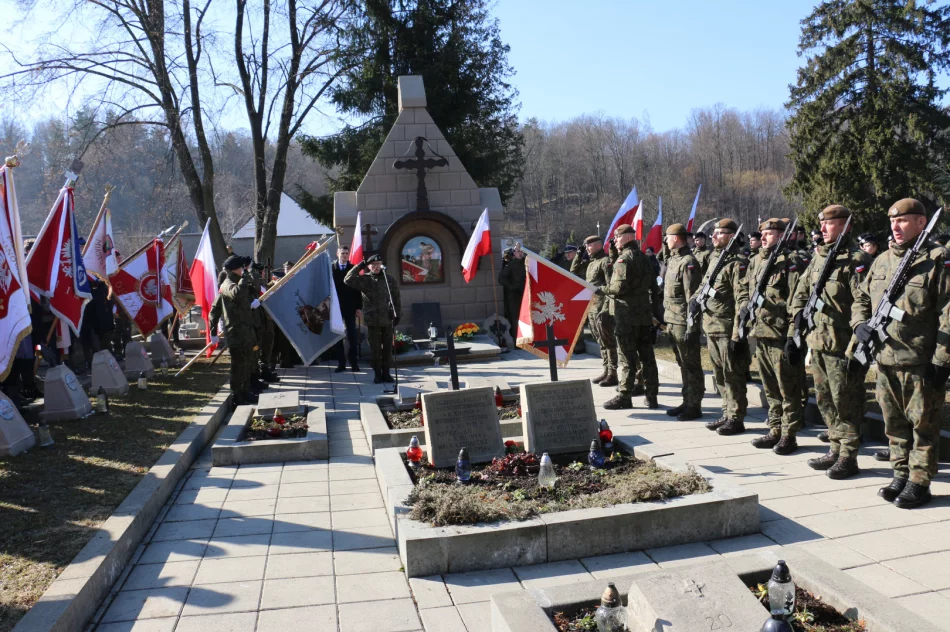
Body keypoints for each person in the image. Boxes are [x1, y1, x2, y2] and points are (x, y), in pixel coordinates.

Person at [852, 198, 950, 509]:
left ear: (921, 222)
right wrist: (858, 325)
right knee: (893, 423)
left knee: (923, 425)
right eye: (893, 222)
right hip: (885, 359)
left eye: (903, 221)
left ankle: (920, 481)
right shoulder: (881, 261)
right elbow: (861, 298)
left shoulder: (938, 259)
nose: (895, 226)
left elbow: (949, 312)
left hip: (920, 361)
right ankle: (900, 472)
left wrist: (942, 360)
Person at [788, 205, 870, 478]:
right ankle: (835, 446)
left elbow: (864, 300)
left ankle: (849, 454)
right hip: (819, 341)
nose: (822, 229)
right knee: (824, 400)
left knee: (845, 400)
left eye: (829, 224)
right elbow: (800, 290)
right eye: (821, 224)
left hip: (842, 344)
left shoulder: (855, 259)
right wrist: (798, 314)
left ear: (845, 225)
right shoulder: (819, 257)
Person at [740, 218, 803, 453]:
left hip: (779, 334)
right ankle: (775, 429)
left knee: (788, 389)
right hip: (761, 332)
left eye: (769, 233)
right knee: (770, 388)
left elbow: (797, 301)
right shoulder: (756, 260)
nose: (763, 237)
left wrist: (792, 337)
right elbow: (747, 290)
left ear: (781, 235)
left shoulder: (791, 261)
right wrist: (746, 308)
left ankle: (789, 434)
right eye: (762, 233)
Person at [601, 225, 662, 410]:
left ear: (627, 237)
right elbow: (654, 287)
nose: (615, 240)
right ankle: (652, 397)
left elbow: (618, 288)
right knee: (647, 357)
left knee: (627, 358)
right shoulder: (644, 257)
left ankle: (624, 396)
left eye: (617, 237)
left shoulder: (624, 259)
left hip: (627, 316)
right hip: (643, 315)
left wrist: (601, 289)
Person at [699, 219, 750, 435]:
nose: (713, 236)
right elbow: (705, 285)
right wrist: (694, 300)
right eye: (714, 233)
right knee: (719, 375)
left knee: (732, 374)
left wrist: (738, 332)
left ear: (731, 236)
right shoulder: (715, 260)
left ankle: (737, 418)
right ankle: (726, 412)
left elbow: (742, 300)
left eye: (719, 233)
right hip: (711, 326)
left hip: (727, 327)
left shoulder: (737, 264)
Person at [662, 224, 704, 420]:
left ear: (676, 238)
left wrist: (692, 327)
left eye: (668, 237)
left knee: (691, 365)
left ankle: (694, 405)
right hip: (672, 320)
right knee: (682, 364)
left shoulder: (688, 262)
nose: (666, 241)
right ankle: (686, 401)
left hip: (682, 322)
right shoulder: (674, 260)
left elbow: (692, 299)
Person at [209, 255, 260, 405]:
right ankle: (236, 395)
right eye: (241, 268)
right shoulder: (227, 284)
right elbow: (237, 294)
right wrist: (213, 332)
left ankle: (244, 392)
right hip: (236, 334)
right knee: (238, 366)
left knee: (246, 364)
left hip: (246, 332)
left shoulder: (238, 283)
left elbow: (247, 295)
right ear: (235, 269)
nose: (244, 270)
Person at [345, 253, 401, 384]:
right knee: (375, 349)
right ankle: (377, 373)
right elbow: (347, 279)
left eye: (378, 264)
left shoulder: (389, 279)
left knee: (387, 349)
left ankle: (386, 373)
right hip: (373, 320)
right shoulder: (365, 279)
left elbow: (396, 298)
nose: (376, 267)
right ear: (369, 266)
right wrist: (359, 266)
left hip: (387, 318)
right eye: (373, 265)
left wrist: (398, 314)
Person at [575, 235, 618, 387]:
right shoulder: (592, 263)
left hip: (602, 309)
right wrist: (579, 255)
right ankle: (606, 370)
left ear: (599, 246)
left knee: (609, 342)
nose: (587, 248)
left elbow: (610, 286)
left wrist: (606, 309)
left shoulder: (605, 262)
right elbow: (573, 271)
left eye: (589, 246)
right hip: (592, 307)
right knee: (601, 342)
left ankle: (613, 373)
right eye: (586, 246)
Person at [331, 245, 362, 373]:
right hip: (336, 307)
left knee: (352, 336)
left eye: (346, 253)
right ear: (337, 253)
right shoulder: (331, 268)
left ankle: (353, 362)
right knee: (338, 337)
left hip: (350, 307)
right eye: (342, 253)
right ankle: (341, 363)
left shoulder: (352, 269)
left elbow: (358, 290)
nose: (344, 256)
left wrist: (359, 307)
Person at [498, 246, 526, 338]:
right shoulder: (511, 265)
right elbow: (501, 278)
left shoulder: (527, 263)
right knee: (515, 318)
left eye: (521, 251)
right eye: (518, 251)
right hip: (514, 296)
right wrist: (512, 286)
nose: (520, 253)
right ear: (514, 253)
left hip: (526, 294)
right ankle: (517, 339)